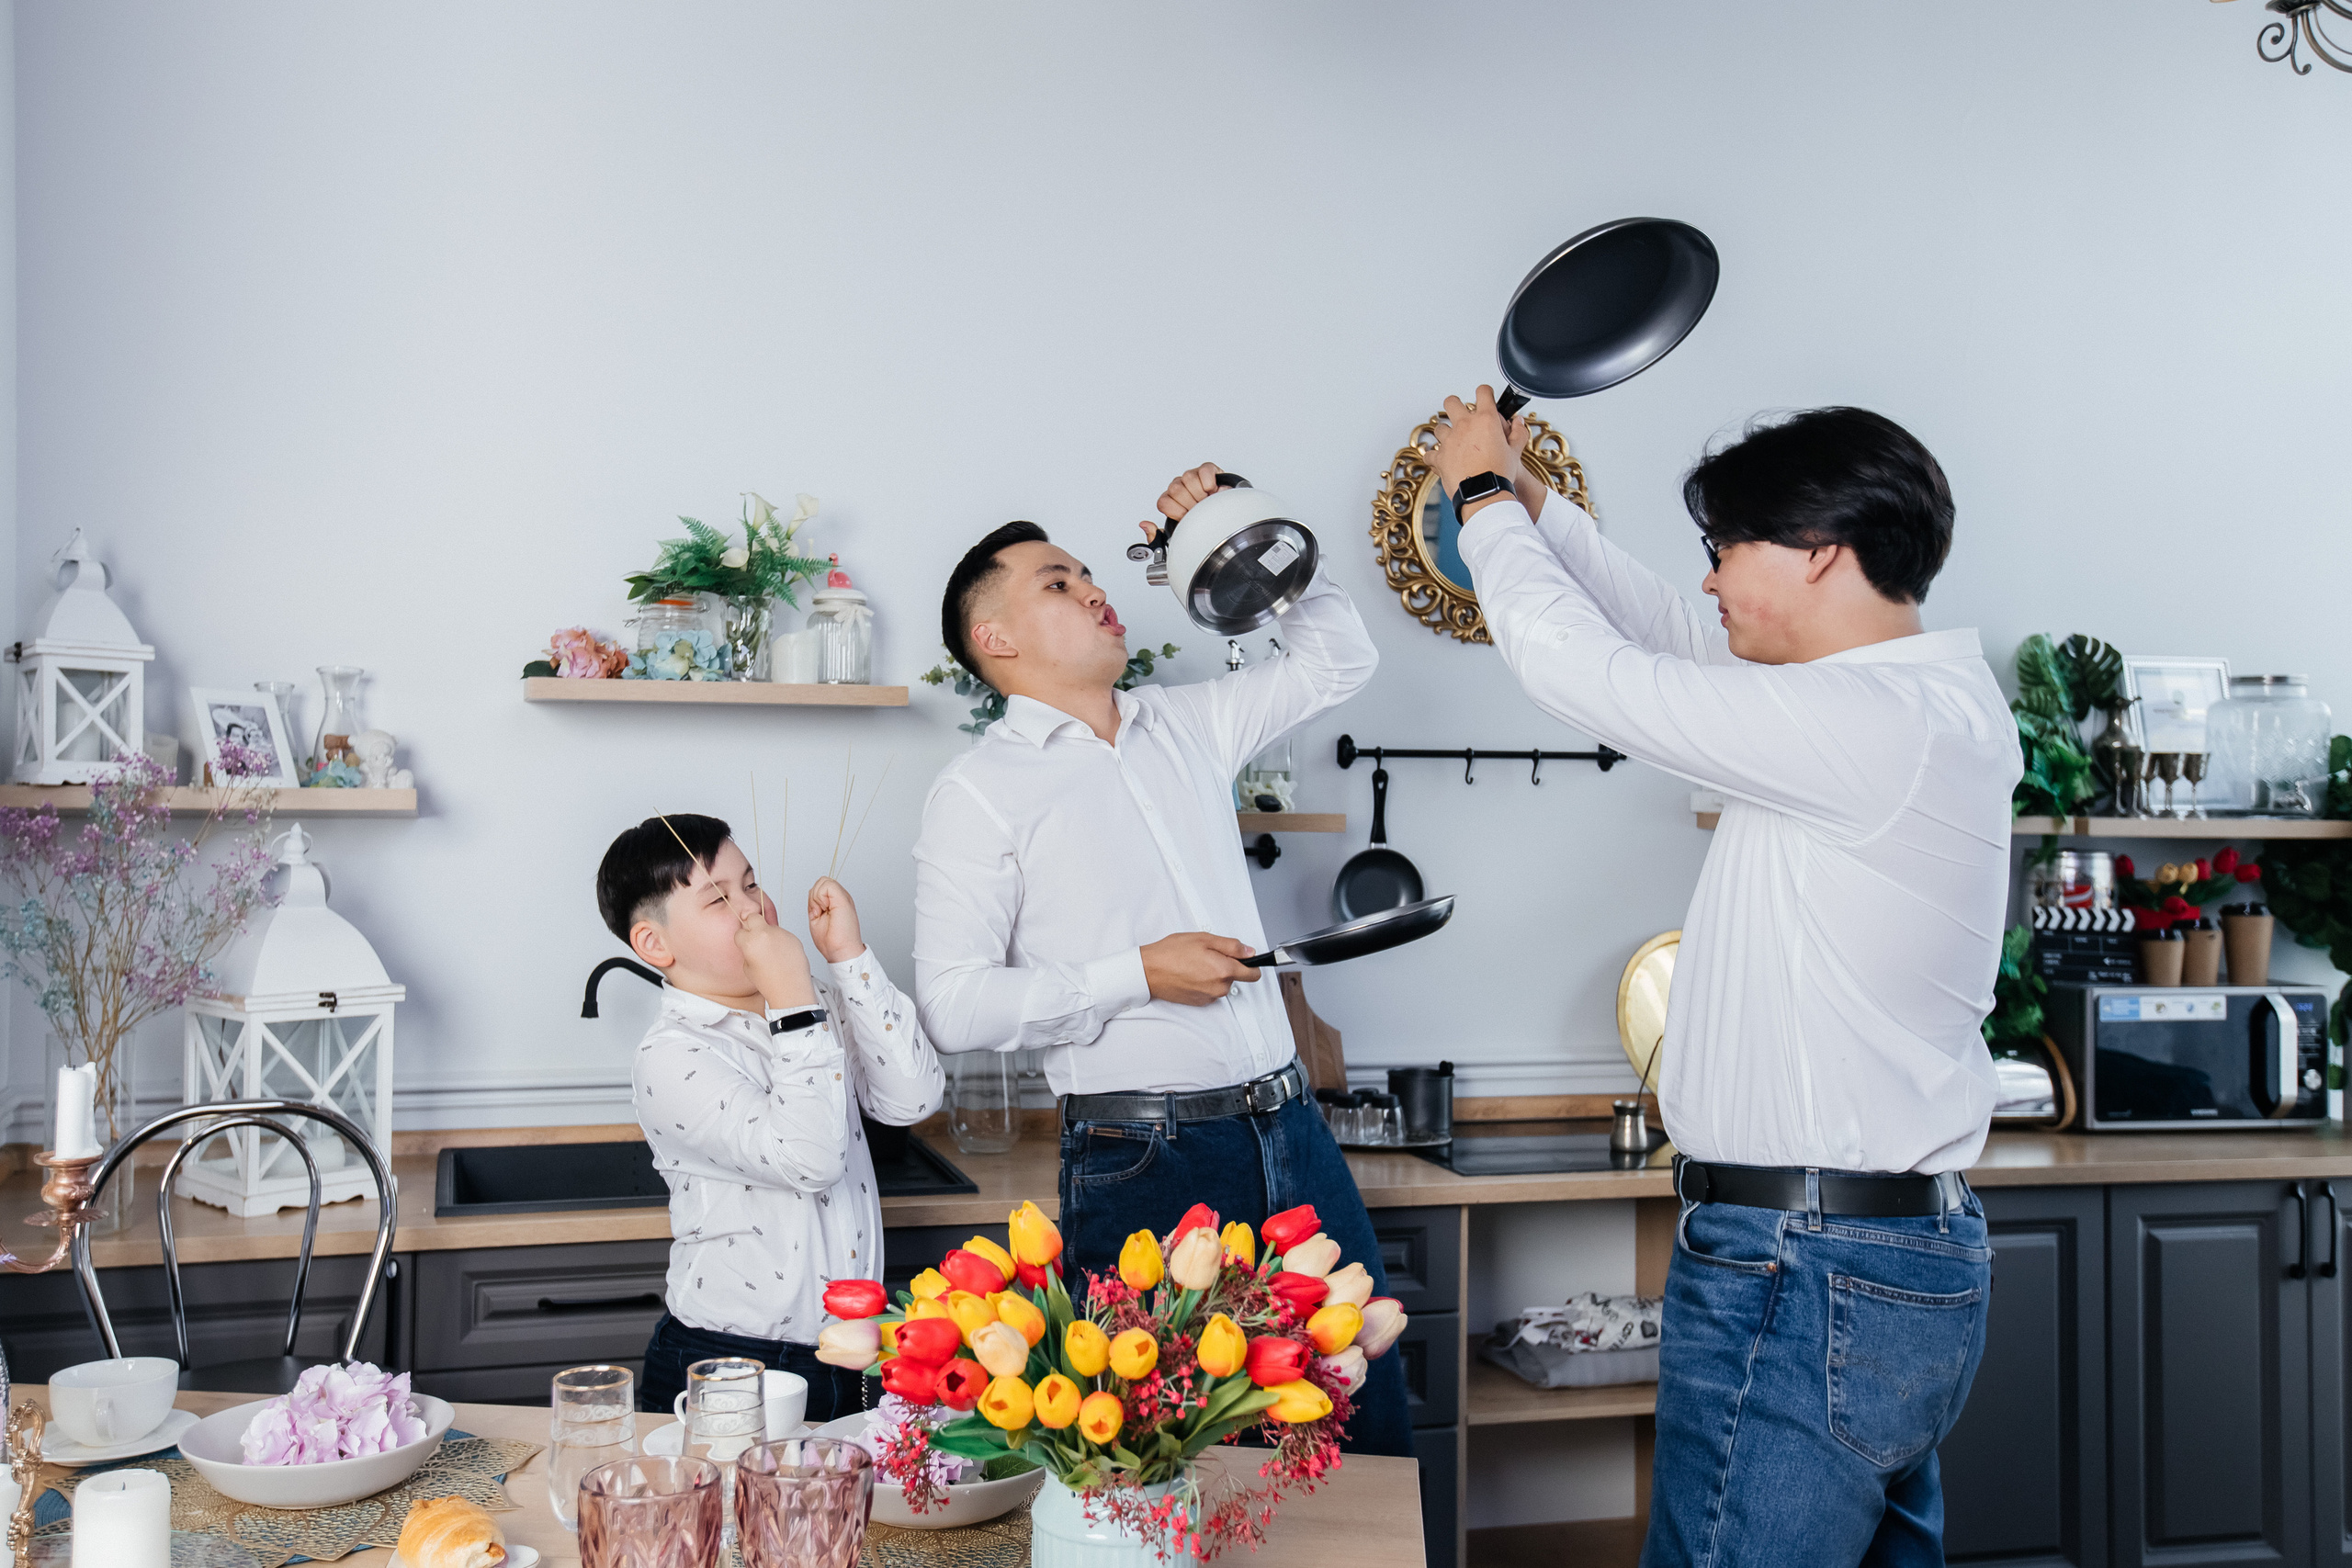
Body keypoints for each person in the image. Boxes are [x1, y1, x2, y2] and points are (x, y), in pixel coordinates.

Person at [1427, 394, 2019, 1568]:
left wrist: (1480, 497)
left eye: (1723, 548)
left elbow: (1587, 673)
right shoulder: (1913, 703)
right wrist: (1535, 501)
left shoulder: (1870, 720)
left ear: (1818, 550)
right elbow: (1664, 634)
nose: (1706, 579)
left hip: (1804, 1266)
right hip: (1873, 1255)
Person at [911, 465, 1412, 1456]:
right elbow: (953, 1005)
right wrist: (1138, 971)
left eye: (1089, 573)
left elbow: (1339, 659)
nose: (1093, 588)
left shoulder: (1186, 721)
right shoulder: (976, 792)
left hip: (1290, 1128)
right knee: (1177, 1463)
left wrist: (1240, 523)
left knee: (1362, 1431)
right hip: (1146, 1156)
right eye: (1057, 582)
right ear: (995, 639)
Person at [595, 813, 944, 1421]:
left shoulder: (809, 1000)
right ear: (655, 945)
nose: (753, 907)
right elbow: (809, 1160)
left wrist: (847, 957)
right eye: (720, 899)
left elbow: (912, 1099)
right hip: (730, 1359)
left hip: (852, 1352)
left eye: (752, 883)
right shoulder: (671, 1055)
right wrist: (792, 1001)